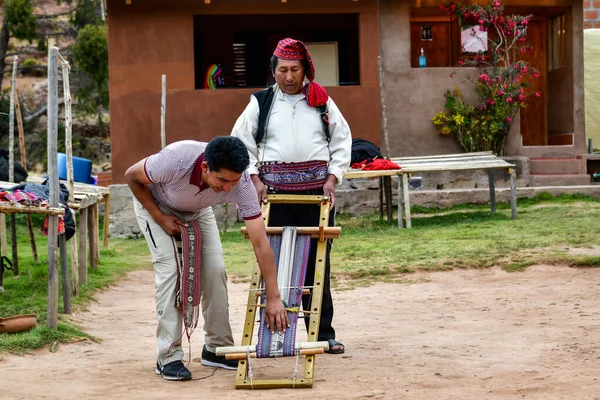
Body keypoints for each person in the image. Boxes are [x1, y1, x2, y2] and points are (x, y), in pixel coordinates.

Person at [125, 136, 288, 381]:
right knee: (171, 269)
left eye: (233, 181)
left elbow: (260, 243)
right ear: (204, 168)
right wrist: (159, 217)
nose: (227, 188)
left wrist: (274, 297)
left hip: (198, 211)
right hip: (157, 205)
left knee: (216, 269)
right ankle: (168, 357)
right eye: (222, 180)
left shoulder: (241, 184)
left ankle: (216, 348)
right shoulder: (176, 159)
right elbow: (131, 176)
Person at [231, 38, 352, 354]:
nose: (288, 76)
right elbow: (241, 142)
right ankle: (271, 338)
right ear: (274, 72)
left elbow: (342, 140)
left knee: (317, 264)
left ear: (305, 70)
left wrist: (332, 178)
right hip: (273, 196)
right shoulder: (261, 103)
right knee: (271, 262)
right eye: (282, 69)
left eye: (294, 69)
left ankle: (323, 334)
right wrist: (254, 179)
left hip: (316, 194)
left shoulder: (322, 101)